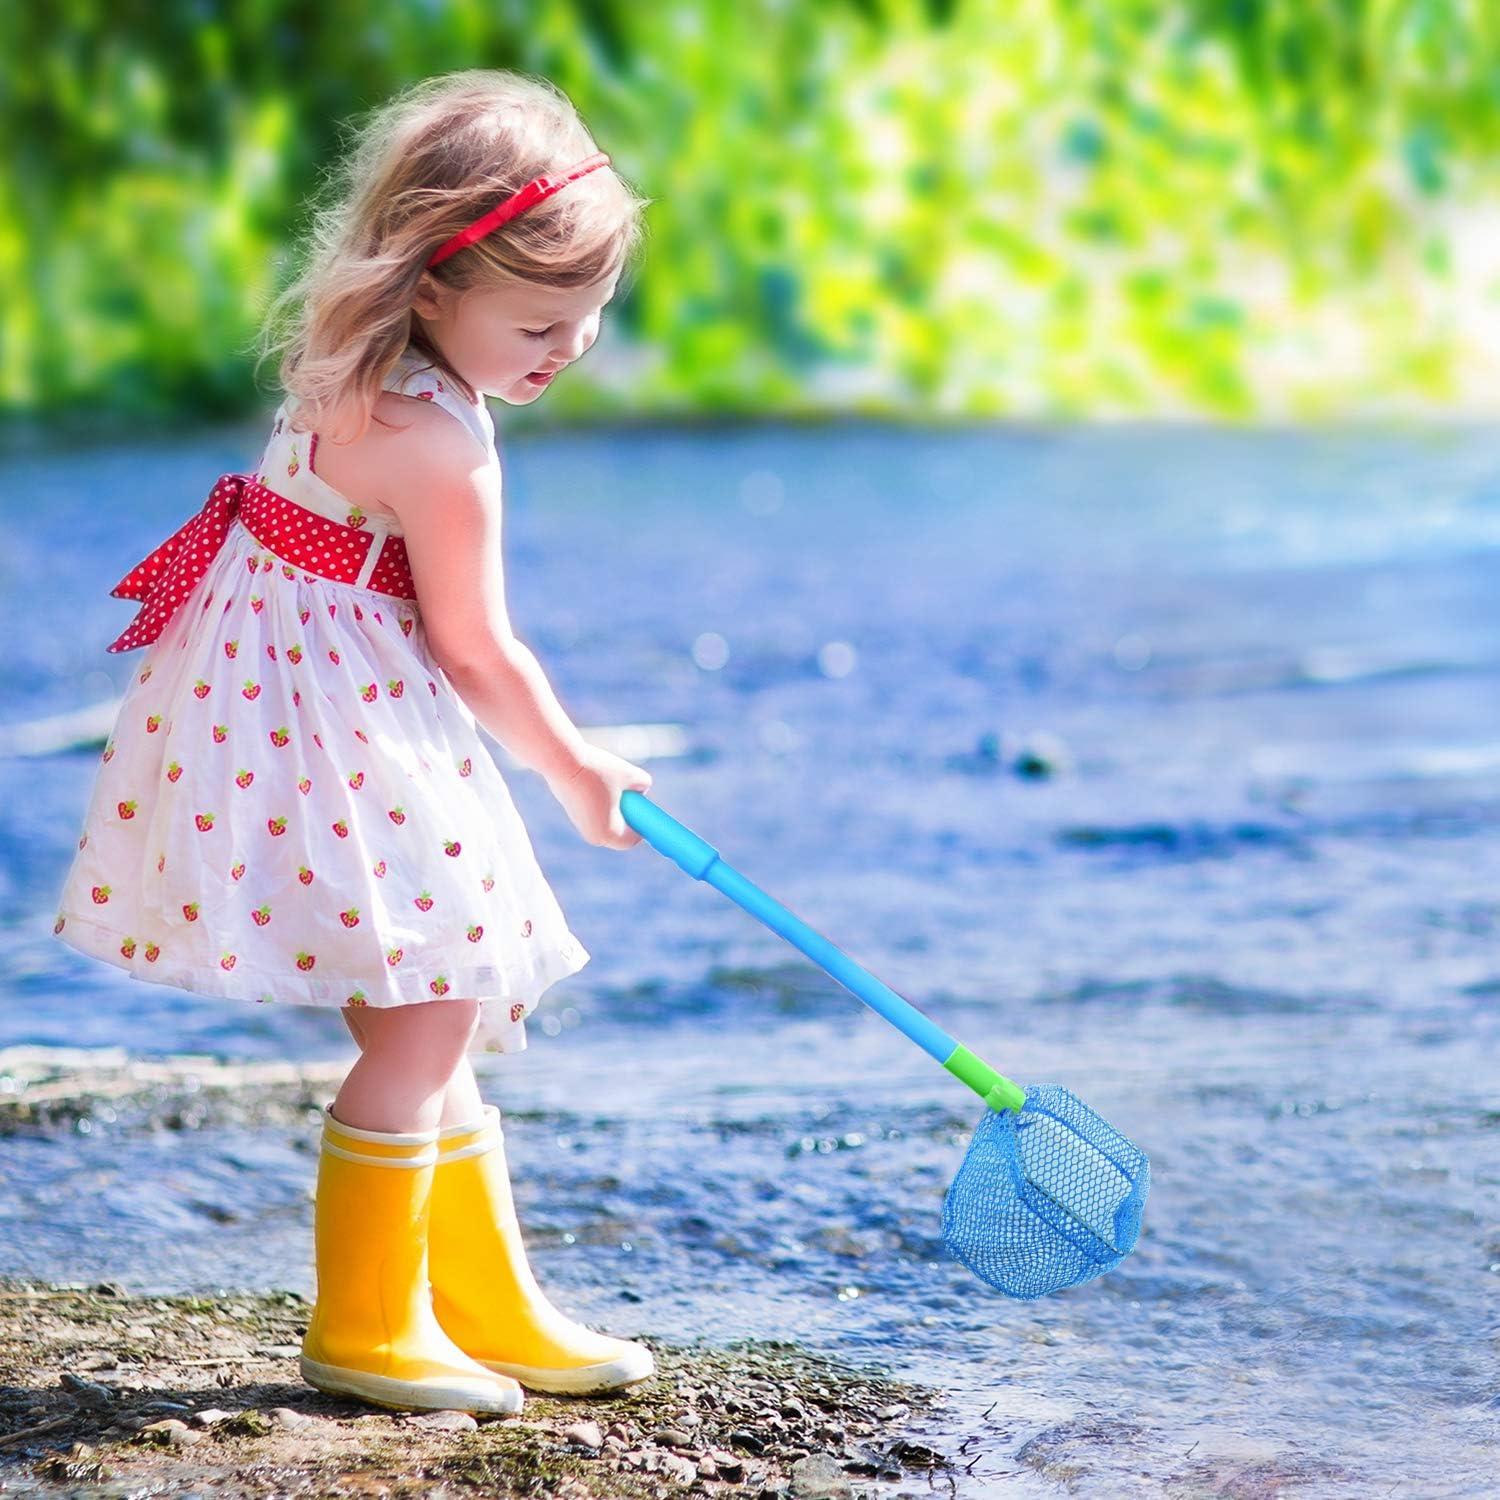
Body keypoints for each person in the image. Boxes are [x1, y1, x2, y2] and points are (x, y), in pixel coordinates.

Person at [51, 70, 658, 1416]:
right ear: (432, 287)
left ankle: (482, 1302)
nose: (575, 345)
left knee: (426, 1011)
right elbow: (477, 649)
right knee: (428, 1015)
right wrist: (577, 770)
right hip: (345, 724)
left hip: (273, 710)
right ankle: (370, 1326)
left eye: (592, 313)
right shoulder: (441, 443)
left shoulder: (355, 360)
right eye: (543, 319)